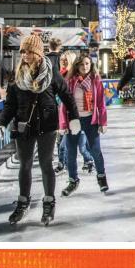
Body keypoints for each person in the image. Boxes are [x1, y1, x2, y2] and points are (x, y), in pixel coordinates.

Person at [0, 32, 80, 227]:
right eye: (23, 51)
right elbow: (10, 104)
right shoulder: (17, 76)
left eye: (29, 51)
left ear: (38, 53)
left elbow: (67, 96)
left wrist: (74, 118)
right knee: (24, 165)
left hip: (47, 125)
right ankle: (23, 202)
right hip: (23, 126)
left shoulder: (51, 73)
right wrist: (1, 122)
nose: (25, 55)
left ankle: (49, 202)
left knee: (45, 164)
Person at [59, 52, 109, 196]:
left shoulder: (96, 80)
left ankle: (101, 177)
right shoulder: (70, 81)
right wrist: (63, 124)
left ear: (91, 65)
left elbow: (101, 103)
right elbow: (64, 104)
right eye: (81, 64)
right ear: (77, 66)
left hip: (90, 120)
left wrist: (102, 122)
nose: (84, 66)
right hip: (73, 120)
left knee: (95, 150)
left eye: (87, 63)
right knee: (71, 152)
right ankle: (73, 180)